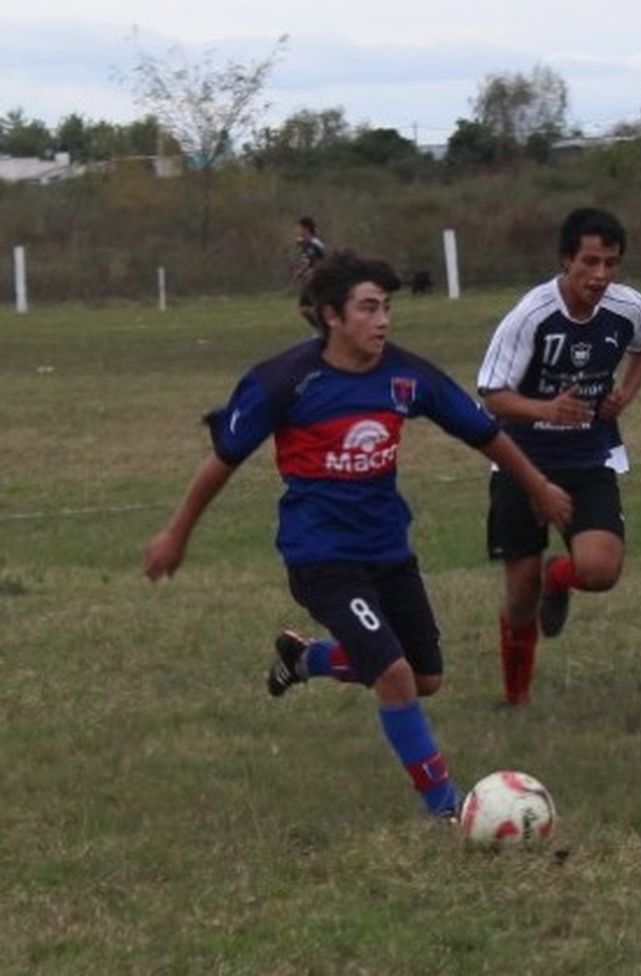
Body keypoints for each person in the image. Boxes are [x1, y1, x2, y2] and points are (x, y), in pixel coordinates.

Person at [142, 251, 573, 820]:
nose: (383, 320)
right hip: (320, 557)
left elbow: (484, 433)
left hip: (388, 550)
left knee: (425, 678)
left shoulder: (406, 376)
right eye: (368, 308)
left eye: (387, 308)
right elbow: (222, 460)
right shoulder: (285, 381)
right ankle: (447, 811)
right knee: (393, 676)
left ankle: (306, 660)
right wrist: (177, 533)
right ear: (331, 317)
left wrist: (538, 486)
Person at [476, 208, 641, 707]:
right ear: (566, 260)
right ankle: (516, 698)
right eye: (589, 262)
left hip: (589, 457)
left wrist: (625, 392)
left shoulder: (628, 308)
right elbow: (491, 394)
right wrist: (545, 409)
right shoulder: (531, 315)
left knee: (600, 570)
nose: (600, 275)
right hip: (522, 461)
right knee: (518, 595)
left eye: (611, 263)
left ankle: (556, 578)